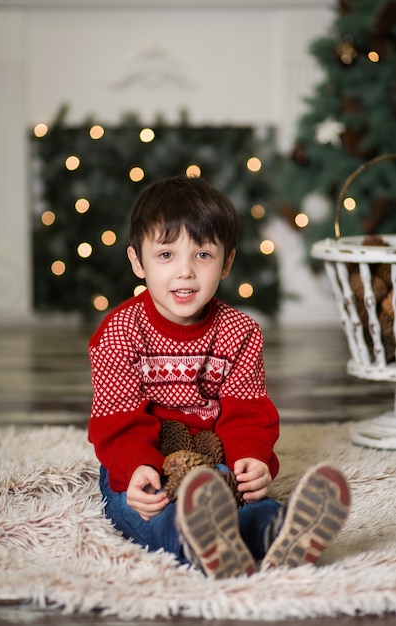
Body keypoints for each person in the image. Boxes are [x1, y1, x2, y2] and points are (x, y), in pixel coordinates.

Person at [88, 174, 350, 578]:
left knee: (240, 493)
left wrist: (251, 458)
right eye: (165, 255)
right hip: (146, 459)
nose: (185, 272)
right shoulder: (119, 333)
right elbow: (117, 417)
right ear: (137, 261)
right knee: (135, 504)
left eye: (203, 255)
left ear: (226, 262)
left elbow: (246, 411)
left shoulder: (239, 332)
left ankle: (277, 532)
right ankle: (191, 543)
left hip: (214, 459)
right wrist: (137, 465)